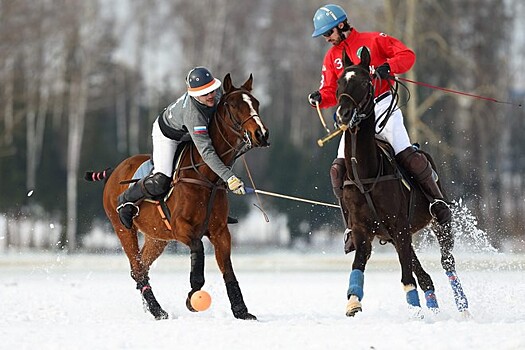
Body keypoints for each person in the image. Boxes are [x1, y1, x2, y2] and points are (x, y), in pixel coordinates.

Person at [308, 4, 451, 245]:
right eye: (323, 35)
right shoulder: (332, 57)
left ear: (341, 25)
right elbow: (331, 91)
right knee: (337, 169)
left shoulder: (374, 40)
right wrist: (320, 98)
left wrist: (389, 67)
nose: (326, 39)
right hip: (354, 118)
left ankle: (437, 202)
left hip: (382, 106)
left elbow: (407, 55)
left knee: (405, 152)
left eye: (328, 33)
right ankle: (350, 227)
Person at [117, 67, 246, 229]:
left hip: (188, 132)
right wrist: (229, 177)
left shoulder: (217, 94)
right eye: (205, 93)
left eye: (212, 90)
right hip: (168, 135)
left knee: (210, 170)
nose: (211, 96)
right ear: (195, 95)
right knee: (161, 180)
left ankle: (217, 210)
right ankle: (125, 200)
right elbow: (206, 152)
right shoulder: (194, 115)